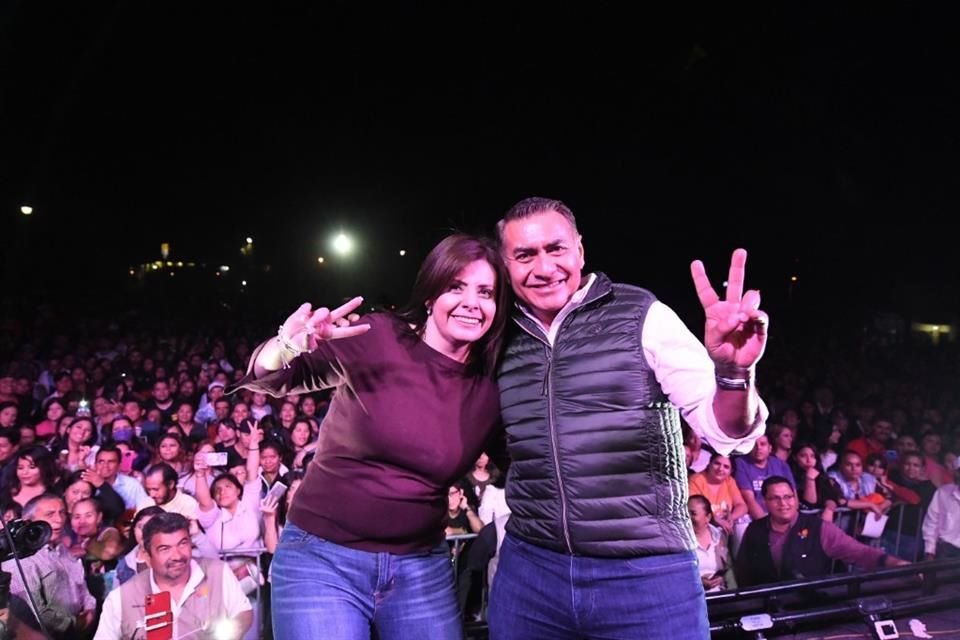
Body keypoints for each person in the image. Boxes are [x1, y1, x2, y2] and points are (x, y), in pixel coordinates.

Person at [487, 197, 769, 640]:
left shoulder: (642, 315)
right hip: (532, 572)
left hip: (645, 575)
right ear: (505, 264)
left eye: (555, 249)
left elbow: (727, 432)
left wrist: (735, 373)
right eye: (525, 255)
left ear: (580, 249)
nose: (544, 268)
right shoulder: (499, 334)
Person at [230, 233, 510, 639]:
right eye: (456, 287)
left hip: (420, 567)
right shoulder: (380, 336)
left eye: (486, 292)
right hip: (322, 559)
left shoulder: (490, 386)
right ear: (431, 295)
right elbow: (273, 377)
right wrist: (289, 344)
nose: (471, 301)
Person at [94, 512, 253, 640]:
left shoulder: (218, 572)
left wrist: (230, 633)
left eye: (183, 544)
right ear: (148, 556)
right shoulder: (120, 599)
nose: (177, 555)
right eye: (165, 549)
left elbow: (243, 611)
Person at [735, 476, 910, 587]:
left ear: (796, 498)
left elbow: (860, 552)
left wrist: (892, 562)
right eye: (775, 498)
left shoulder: (818, 527)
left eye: (788, 497)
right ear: (765, 502)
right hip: (766, 613)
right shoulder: (754, 530)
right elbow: (744, 571)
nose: (783, 503)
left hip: (809, 610)